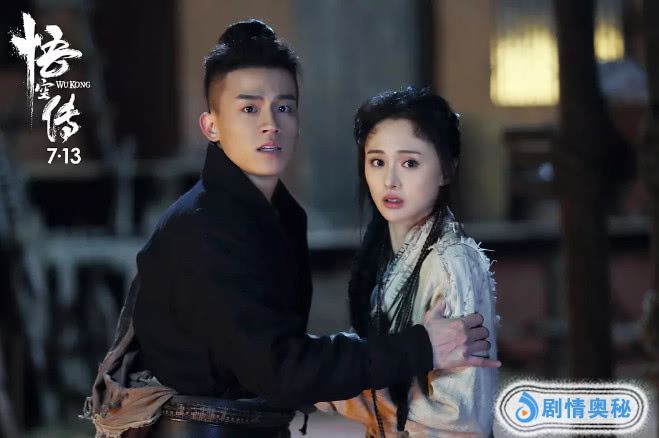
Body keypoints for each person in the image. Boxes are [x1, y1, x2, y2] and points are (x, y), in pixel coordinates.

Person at [82, 21, 499, 438]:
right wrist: (421, 347)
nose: (270, 124)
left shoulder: (276, 214)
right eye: (249, 109)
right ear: (211, 126)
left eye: (284, 107)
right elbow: (281, 369)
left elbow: (279, 357)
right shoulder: (205, 227)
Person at [317, 87, 499, 437]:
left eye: (409, 163)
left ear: (447, 169)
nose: (390, 181)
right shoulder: (389, 255)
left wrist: (335, 385)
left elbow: (460, 419)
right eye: (377, 162)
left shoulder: (452, 263)